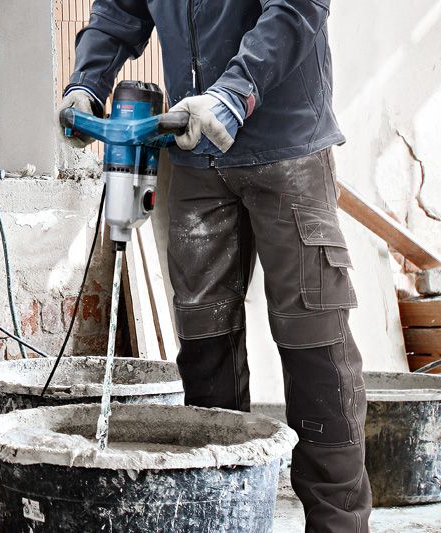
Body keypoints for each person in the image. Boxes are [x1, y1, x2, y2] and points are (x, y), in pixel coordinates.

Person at [59, 1, 371, 531]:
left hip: (285, 149)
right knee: (205, 347)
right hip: (195, 150)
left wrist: (234, 92)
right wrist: (85, 83)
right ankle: (225, 515)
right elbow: (118, 11)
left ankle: (338, 523)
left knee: (313, 343)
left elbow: (297, 9)